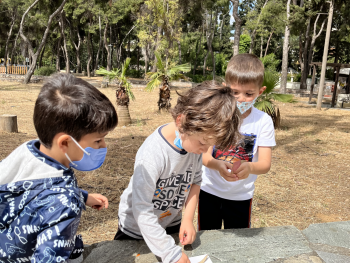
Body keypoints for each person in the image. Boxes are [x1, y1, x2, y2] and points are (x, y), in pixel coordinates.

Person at [115, 81, 241, 263]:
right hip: (136, 230)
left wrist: (187, 219)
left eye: (211, 145)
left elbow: (196, 181)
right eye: (203, 143)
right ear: (181, 121)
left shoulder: (194, 145)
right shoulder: (153, 154)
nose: (206, 149)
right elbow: (141, 208)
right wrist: (170, 253)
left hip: (171, 223)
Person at [0, 73, 118, 262]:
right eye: (98, 140)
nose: (104, 146)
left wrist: (83, 196)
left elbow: (36, 187)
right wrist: (72, 197)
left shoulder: (29, 151)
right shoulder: (64, 204)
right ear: (65, 143)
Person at [198, 53, 276, 231]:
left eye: (249, 94)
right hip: (209, 191)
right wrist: (218, 165)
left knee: (239, 245)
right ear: (225, 89)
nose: (241, 98)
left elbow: (265, 164)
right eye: (234, 93)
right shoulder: (217, 115)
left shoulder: (263, 121)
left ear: (260, 91)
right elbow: (203, 156)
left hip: (241, 196)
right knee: (208, 239)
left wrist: (249, 168)